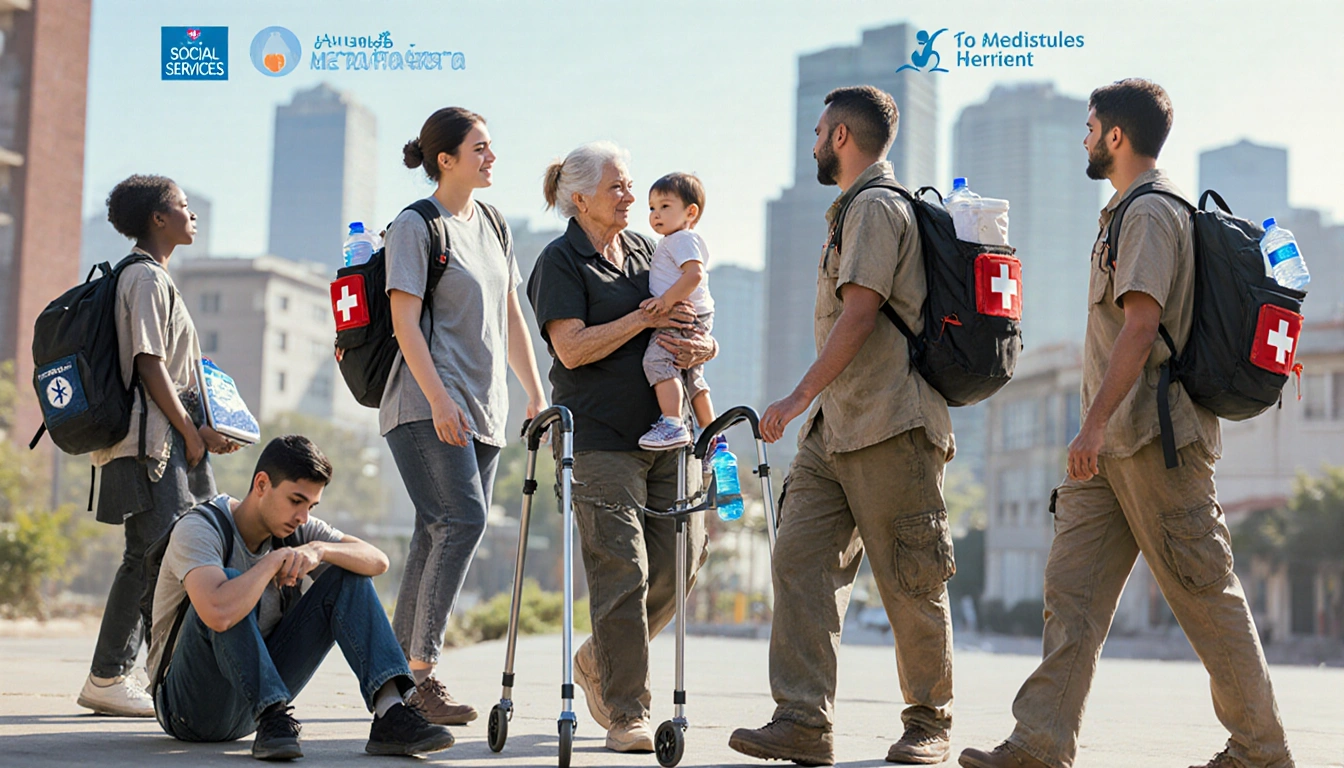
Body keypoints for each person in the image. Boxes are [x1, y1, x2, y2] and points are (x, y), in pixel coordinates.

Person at [959, 79, 1295, 768]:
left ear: (1116, 135)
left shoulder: (1149, 213)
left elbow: (1141, 328)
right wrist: (1095, 434)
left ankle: (1261, 747)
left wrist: (1091, 425)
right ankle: (1039, 741)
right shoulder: (1121, 211)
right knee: (1072, 592)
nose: (1084, 138)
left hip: (1153, 440)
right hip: (1108, 448)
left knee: (1204, 593)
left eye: (1090, 127)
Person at [729, 86, 957, 766]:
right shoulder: (850, 211)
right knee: (798, 559)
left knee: (911, 580)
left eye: (819, 132)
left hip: (892, 423)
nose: (812, 144)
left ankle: (928, 723)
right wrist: (812, 413)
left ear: (841, 138)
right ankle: (802, 718)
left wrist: (794, 397)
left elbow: (860, 314)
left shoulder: (878, 208)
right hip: (836, 430)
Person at [527, 141, 717, 753]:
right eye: (619, 188)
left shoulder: (645, 248)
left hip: (668, 434)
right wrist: (644, 320)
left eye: (633, 186)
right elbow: (572, 349)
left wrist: (702, 348)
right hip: (600, 439)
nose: (633, 197)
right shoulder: (559, 261)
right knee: (622, 574)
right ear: (579, 198)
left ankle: (598, 659)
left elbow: (687, 308)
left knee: (687, 558)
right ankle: (628, 711)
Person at [381, 106, 548, 725]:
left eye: (491, 146)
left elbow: (510, 315)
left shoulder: (493, 223)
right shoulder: (416, 226)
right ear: (444, 159)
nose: (491, 157)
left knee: (435, 530)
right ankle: (422, 674)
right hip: (426, 405)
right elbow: (404, 323)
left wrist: (534, 389)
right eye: (479, 148)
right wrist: (441, 399)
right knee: (463, 519)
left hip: (486, 410)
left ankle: (391, 676)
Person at [148, 435, 455, 760]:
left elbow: (377, 561)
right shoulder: (201, 528)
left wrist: (319, 550)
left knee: (345, 575)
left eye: (310, 506)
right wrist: (270, 563)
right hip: (188, 709)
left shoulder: (295, 531)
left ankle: (390, 713)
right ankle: (272, 714)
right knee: (228, 587)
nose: (303, 516)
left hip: (254, 714)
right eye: (296, 501)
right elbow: (217, 612)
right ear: (262, 484)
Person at [79, 175, 239, 718]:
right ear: (157, 218)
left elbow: (176, 372)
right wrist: (191, 432)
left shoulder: (156, 279)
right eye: (183, 207)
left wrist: (206, 428)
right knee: (158, 558)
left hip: (167, 440)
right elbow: (149, 365)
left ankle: (134, 674)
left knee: (156, 557)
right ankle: (112, 674)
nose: (192, 215)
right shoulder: (144, 279)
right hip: (152, 447)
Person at [637, 172, 717, 451]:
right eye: (651, 208)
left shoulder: (681, 239)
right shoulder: (675, 240)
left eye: (665, 206)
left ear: (690, 212)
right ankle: (712, 438)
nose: (655, 214)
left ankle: (672, 424)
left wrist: (666, 301)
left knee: (657, 362)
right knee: (693, 375)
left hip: (682, 314)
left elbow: (693, 275)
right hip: (697, 316)